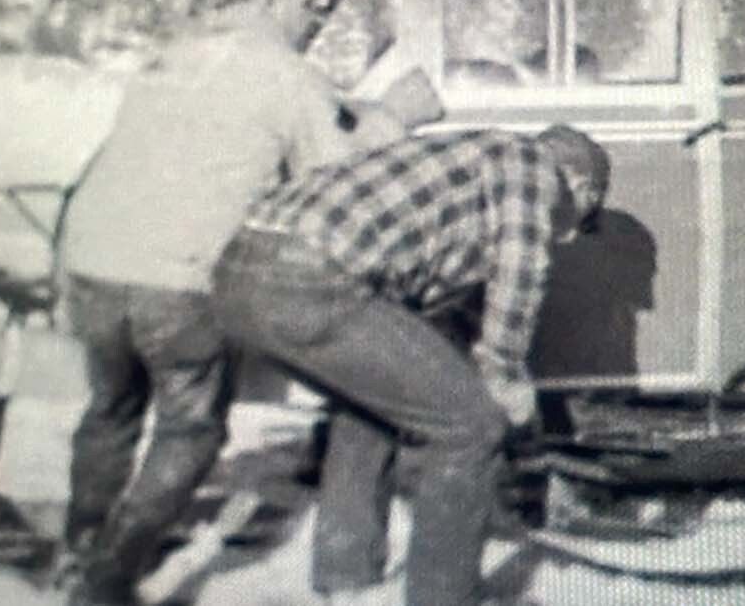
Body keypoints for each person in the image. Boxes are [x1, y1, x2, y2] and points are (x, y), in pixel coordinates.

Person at [55, 0, 439, 606]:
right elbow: (335, 177)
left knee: (111, 407)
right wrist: (393, 118)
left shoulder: (173, 56)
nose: (313, 15)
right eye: (306, 2)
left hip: (90, 260)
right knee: (191, 426)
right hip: (176, 279)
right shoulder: (288, 75)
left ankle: (78, 547)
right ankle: (106, 577)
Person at [212, 124, 611, 606]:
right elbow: (521, 270)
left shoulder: (468, 159)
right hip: (309, 276)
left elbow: (430, 311)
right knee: (472, 427)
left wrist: (472, 364)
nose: (565, 237)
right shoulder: (531, 164)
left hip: (241, 273)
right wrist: (503, 374)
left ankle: (348, 578)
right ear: (582, 186)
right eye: (579, 221)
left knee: (373, 409)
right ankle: (444, 597)